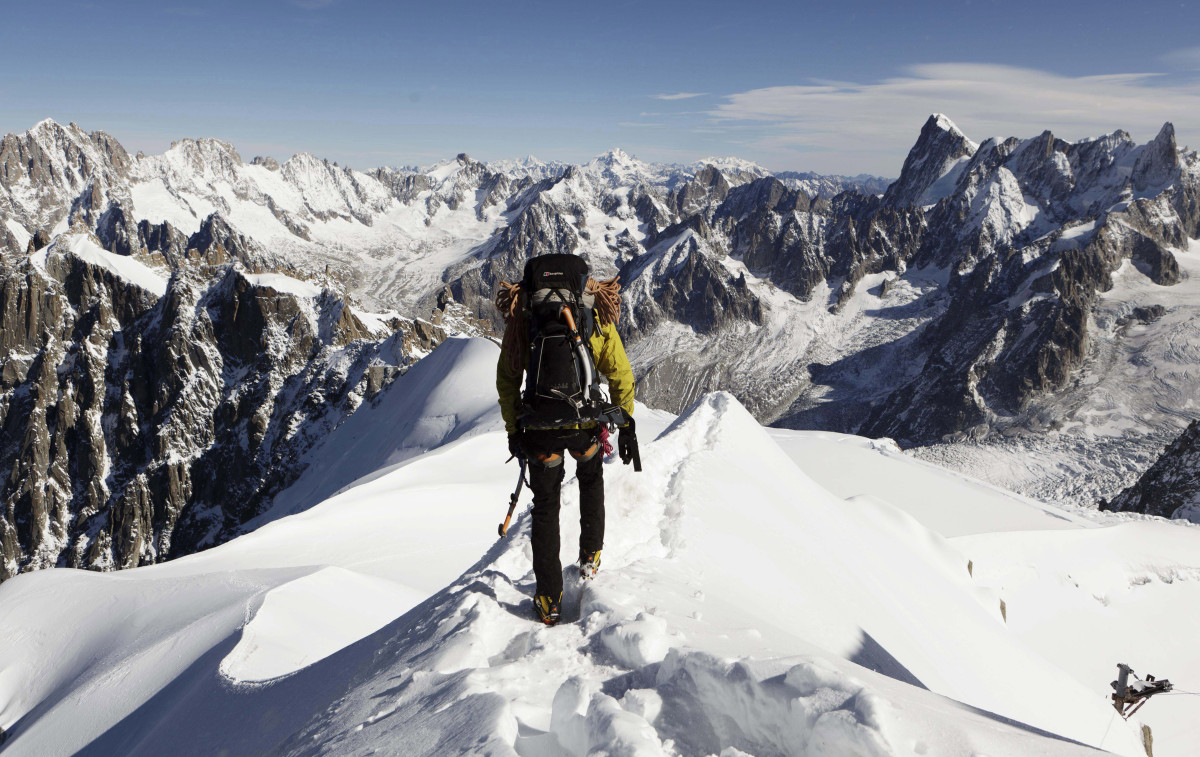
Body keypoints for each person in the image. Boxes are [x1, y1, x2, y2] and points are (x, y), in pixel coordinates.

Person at [495, 254, 637, 626]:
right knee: (590, 478)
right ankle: (590, 557)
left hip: (540, 425)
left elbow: (508, 379)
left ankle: (548, 598)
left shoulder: (525, 311)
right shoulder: (590, 306)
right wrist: (626, 419)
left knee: (545, 504)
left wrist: (514, 430)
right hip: (582, 423)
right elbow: (619, 371)